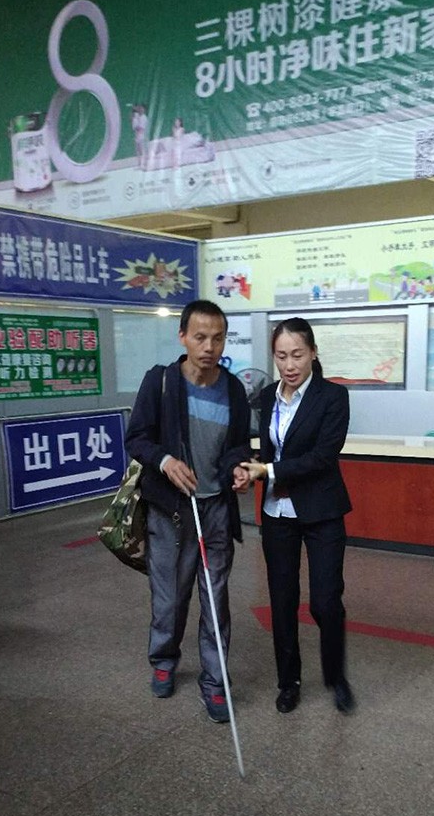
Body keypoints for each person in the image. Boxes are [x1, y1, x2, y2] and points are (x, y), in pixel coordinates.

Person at [125, 300, 251, 723]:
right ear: (182, 337)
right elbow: (137, 438)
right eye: (200, 337)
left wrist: (237, 468)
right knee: (170, 596)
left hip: (216, 509)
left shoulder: (233, 389)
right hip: (171, 510)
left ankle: (215, 682)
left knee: (215, 599)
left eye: (217, 338)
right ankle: (163, 659)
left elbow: (237, 445)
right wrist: (165, 461)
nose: (209, 347)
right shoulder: (160, 382)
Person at [240, 317, 354, 715]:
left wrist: (267, 471)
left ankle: (336, 676)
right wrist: (249, 468)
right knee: (282, 600)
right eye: (281, 356)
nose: (289, 365)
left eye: (297, 355)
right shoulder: (268, 396)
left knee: (325, 601)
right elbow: (271, 449)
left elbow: (323, 457)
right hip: (277, 512)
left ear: (313, 353)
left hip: (322, 511)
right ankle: (288, 682)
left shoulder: (333, 397)